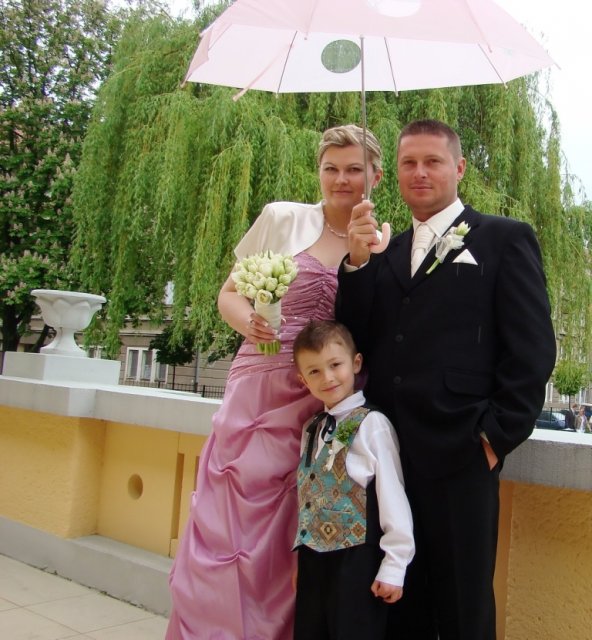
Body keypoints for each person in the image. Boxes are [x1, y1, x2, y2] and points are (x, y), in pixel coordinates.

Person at [335, 119, 557, 640]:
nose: (420, 172)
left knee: (463, 607)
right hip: (391, 457)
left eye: (432, 161)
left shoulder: (503, 239)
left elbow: (532, 350)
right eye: (408, 163)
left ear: (458, 168)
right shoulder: (386, 252)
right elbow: (357, 338)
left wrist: (494, 438)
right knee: (398, 603)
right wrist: (358, 263)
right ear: (394, 173)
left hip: (462, 454)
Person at [165, 124, 383, 640]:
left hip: (323, 402)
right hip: (260, 387)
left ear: (375, 176)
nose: (341, 179)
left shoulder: (383, 241)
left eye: (354, 169)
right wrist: (250, 322)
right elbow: (228, 295)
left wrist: (364, 258)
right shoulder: (282, 218)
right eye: (331, 168)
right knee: (236, 522)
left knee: (298, 530)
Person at [291, 320, 414, 640]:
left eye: (335, 365)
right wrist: (302, 558)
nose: (328, 377)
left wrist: (394, 565)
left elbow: (393, 496)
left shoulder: (372, 424)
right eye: (314, 371)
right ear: (303, 379)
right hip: (313, 563)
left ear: (355, 363)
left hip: (356, 563)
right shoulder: (311, 428)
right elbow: (308, 495)